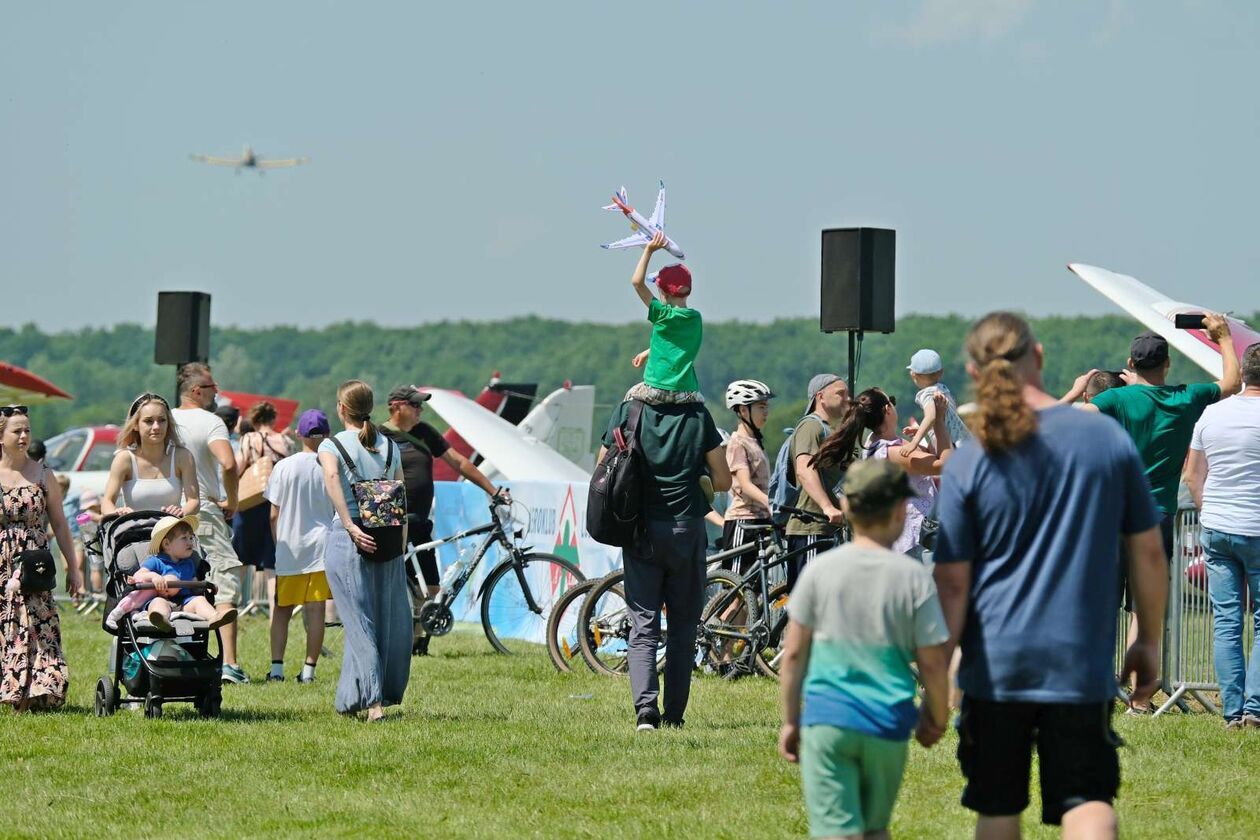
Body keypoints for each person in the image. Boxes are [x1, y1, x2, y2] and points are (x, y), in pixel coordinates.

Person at [932, 312, 1168, 838]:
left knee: (997, 809)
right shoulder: (1103, 440)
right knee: (1087, 802)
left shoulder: (972, 460)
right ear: (1037, 357)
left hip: (996, 665)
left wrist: (937, 673)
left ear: (974, 371)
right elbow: (1150, 554)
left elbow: (950, 583)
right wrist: (1148, 641)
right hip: (1078, 658)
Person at [779, 460, 951, 839]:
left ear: (847, 508)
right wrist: (935, 717)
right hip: (887, 724)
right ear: (896, 512)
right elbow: (934, 664)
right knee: (875, 830)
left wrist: (791, 720)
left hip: (828, 721)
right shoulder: (911, 578)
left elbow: (793, 655)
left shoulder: (820, 571)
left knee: (837, 830)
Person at [598, 395, 731, 731]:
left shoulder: (628, 410)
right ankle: (674, 715)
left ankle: (645, 711)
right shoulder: (698, 416)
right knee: (684, 627)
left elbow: (603, 467)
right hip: (687, 530)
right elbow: (724, 480)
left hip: (640, 529)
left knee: (643, 624)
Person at [1083, 318, 1241, 552]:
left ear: (1130, 363)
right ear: (1167, 362)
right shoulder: (1187, 397)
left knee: (1108, 588)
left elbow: (1065, 422)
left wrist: (1076, 391)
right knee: (1150, 589)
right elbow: (1233, 383)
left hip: (1116, 511)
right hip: (1158, 514)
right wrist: (1225, 339)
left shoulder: (1115, 398)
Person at [380, 384, 500, 656]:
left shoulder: (424, 432)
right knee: (397, 584)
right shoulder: (379, 435)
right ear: (397, 406)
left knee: (431, 587)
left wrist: (492, 490)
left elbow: (458, 461)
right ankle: (399, 642)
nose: (420, 409)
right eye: (415, 405)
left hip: (420, 521)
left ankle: (417, 644)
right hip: (393, 521)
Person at [318, 380, 411, 721]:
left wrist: (349, 524)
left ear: (341, 408)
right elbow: (401, 492)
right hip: (388, 536)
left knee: (358, 623)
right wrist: (402, 539)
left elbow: (331, 479)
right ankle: (351, 699)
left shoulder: (333, 445)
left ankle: (372, 703)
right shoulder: (389, 446)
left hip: (351, 538)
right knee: (386, 621)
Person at [1185, 342, 1260, 729]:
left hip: (1217, 526)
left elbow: (1193, 475)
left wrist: (1207, 510)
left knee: (1227, 621)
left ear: (1243, 374)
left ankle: (1232, 711)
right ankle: (1255, 709)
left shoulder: (1212, 414)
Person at [0, 405, 82, 711]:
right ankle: (11, 690)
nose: (24, 436)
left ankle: (41, 688)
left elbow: (60, 523)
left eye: (27, 431)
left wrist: (72, 567)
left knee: (39, 624)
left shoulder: (44, 473)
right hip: (2, 564)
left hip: (35, 563)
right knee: (7, 626)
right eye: (16, 431)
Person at [171, 363, 247, 684]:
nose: (218, 393)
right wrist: (233, 500)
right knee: (224, 580)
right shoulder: (211, 421)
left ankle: (185, 651)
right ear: (197, 391)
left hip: (171, 515)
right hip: (204, 511)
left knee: (183, 584)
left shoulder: (165, 420)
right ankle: (229, 663)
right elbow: (228, 463)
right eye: (213, 388)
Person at [814, 389, 953, 559]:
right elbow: (944, 465)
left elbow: (935, 456)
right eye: (892, 401)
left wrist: (924, 434)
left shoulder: (875, 443)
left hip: (906, 537)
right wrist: (938, 420)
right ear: (887, 409)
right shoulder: (892, 452)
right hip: (915, 541)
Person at [263, 409, 335, 684]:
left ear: (299, 434)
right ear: (327, 435)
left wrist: (278, 543)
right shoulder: (330, 466)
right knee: (315, 609)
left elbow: (273, 514)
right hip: (322, 546)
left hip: (289, 546)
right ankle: (308, 671)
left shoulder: (284, 466)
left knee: (281, 610)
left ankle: (277, 669)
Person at [104, 514, 236, 631]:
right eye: (184, 538)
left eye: (191, 538)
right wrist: (154, 576)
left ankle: (214, 617)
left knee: (200, 600)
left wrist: (204, 585)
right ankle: (161, 620)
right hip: (161, 599)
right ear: (167, 544)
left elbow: (194, 584)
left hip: (184, 602)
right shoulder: (156, 561)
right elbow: (140, 575)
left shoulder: (189, 563)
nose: (190, 542)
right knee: (158, 604)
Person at [784, 374, 851, 589]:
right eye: (840, 393)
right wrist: (827, 507)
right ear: (820, 396)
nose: (847, 399)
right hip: (811, 527)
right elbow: (804, 469)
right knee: (811, 604)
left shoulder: (828, 429)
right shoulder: (811, 427)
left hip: (827, 528)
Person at [625, 231, 704, 405]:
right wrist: (648, 352)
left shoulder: (662, 314)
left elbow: (637, 282)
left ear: (663, 292)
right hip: (688, 392)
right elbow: (675, 344)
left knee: (629, 397)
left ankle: (619, 434)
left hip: (656, 389)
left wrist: (649, 250)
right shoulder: (696, 318)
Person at [233, 401, 292, 616]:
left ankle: (229, 609)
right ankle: (275, 618)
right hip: (277, 507)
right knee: (272, 566)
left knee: (239, 561)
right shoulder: (285, 441)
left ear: (254, 420)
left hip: (250, 505)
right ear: (273, 419)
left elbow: (237, 467)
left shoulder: (249, 439)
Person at [102, 393, 200, 518]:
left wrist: (181, 512)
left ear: (168, 423)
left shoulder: (183, 456)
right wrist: (118, 514)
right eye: (148, 421)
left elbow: (194, 501)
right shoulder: (124, 459)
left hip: (172, 532)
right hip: (134, 533)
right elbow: (107, 502)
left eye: (162, 420)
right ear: (136, 425)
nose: (156, 427)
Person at [721, 379, 774, 569]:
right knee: (737, 589)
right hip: (742, 521)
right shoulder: (737, 443)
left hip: (761, 521)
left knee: (757, 588)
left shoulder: (756, 441)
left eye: (767, 406)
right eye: (761, 407)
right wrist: (770, 502)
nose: (766, 412)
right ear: (743, 411)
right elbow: (744, 483)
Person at [899, 348, 969, 458]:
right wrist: (922, 429)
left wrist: (914, 443)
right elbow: (947, 419)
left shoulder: (927, 394)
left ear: (913, 375)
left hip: (952, 447)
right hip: (963, 443)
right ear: (941, 373)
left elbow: (930, 417)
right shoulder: (943, 390)